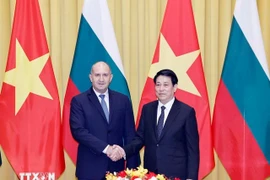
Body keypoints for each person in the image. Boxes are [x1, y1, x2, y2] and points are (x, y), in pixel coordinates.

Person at [111, 69, 200, 180]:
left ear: (175, 87)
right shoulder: (148, 109)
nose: (161, 89)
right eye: (158, 85)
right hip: (151, 173)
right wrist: (124, 151)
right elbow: (140, 138)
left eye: (166, 85)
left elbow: (193, 150)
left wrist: (191, 177)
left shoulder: (186, 112)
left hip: (176, 174)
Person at [69, 61, 139, 180]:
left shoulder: (123, 100)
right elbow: (79, 132)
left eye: (105, 75)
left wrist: (133, 170)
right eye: (97, 75)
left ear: (111, 77)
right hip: (90, 169)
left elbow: (130, 134)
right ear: (91, 77)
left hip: (117, 168)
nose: (101, 79)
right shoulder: (79, 101)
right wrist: (107, 149)